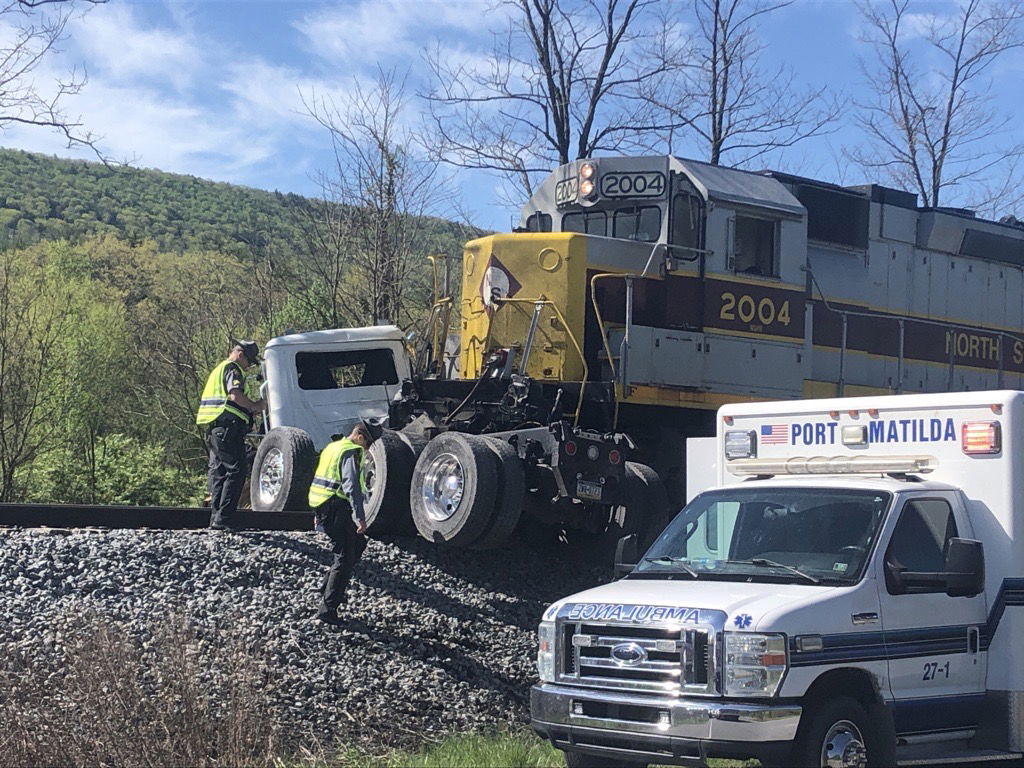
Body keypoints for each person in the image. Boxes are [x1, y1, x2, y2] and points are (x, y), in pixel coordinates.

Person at [309, 419, 383, 626]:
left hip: (323, 504)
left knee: (358, 544)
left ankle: (328, 588)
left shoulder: (333, 447)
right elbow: (351, 487)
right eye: (367, 443)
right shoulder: (351, 452)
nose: (367, 448)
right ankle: (328, 608)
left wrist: (317, 512)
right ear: (360, 437)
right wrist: (361, 516)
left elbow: (321, 477)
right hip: (335, 507)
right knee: (344, 555)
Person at [196, 340, 266, 531]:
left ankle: (216, 518)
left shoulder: (219, 369)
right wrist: (254, 406)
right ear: (241, 355)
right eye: (250, 362)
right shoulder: (233, 369)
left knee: (219, 473)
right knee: (236, 471)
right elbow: (234, 395)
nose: (249, 367)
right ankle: (225, 518)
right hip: (228, 428)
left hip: (215, 428)